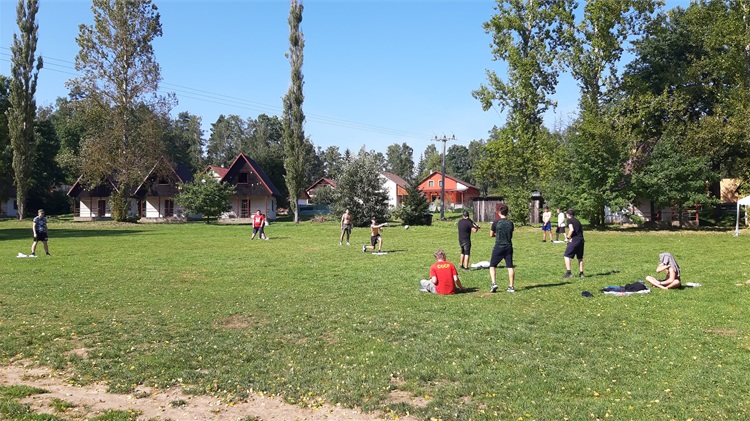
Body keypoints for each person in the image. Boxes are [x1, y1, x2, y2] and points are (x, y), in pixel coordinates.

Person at [489, 204, 515, 293]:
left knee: (492, 265)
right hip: (508, 246)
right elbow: (510, 234)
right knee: (510, 266)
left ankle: (494, 283)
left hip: (499, 246)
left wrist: (497, 235)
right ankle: (511, 286)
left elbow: (491, 234)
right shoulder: (511, 223)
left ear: (499, 212)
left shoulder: (496, 223)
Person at [562, 208, 584, 278]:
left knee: (566, 255)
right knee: (580, 257)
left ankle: (569, 273)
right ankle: (581, 274)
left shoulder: (569, 220)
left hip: (575, 240)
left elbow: (571, 229)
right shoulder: (577, 220)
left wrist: (567, 238)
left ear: (568, 214)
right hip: (581, 240)